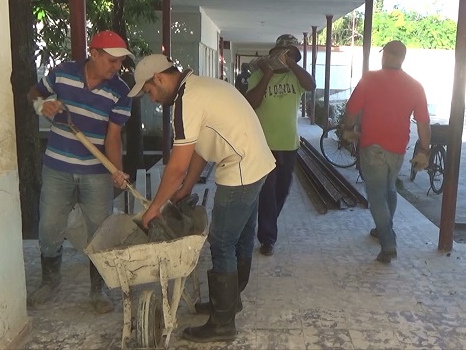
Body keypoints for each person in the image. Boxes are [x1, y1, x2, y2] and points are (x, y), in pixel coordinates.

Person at [129, 54, 275, 342]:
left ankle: (222, 324)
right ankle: (231, 302)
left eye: (149, 91)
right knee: (241, 236)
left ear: (159, 78)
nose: (152, 99)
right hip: (257, 162)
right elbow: (198, 149)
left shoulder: (187, 100)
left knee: (222, 242)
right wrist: (185, 189)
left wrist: (154, 209)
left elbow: (177, 166)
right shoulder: (198, 87)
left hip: (241, 168)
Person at [26, 30, 134, 313]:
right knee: (49, 225)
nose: (116, 68)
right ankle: (50, 281)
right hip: (57, 167)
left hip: (96, 173)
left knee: (99, 231)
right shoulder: (63, 74)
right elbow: (34, 92)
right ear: (94, 53)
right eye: (111, 61)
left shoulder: (120, 91)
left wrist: (116, 171)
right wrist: (43, 104)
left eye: (119, 63)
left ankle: (98, 290)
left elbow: (113, 138)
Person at [342, 40, 430, 264]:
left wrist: (348, 130)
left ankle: (388, 242)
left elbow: (352, 110)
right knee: (390, 188)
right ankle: (382, 229)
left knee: (377, 195)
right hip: (398, 149)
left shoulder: (370, 79)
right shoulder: (415, 85)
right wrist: (424, 150)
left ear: (384, 55)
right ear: (402, 57)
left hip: (373, 147)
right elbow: (423, 122)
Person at [245, 34, 316, 256]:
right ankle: (268, 238)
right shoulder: (258, 75)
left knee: (282, 190)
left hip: (289, 144)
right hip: (265, 144)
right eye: (282, 53)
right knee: (267, 191)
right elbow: (251, 103)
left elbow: (311, 85)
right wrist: (267, 74)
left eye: (291, 54)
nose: (285, 57)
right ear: (273, 53)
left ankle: (268, 224)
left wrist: (292, 65)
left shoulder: (296, 77)